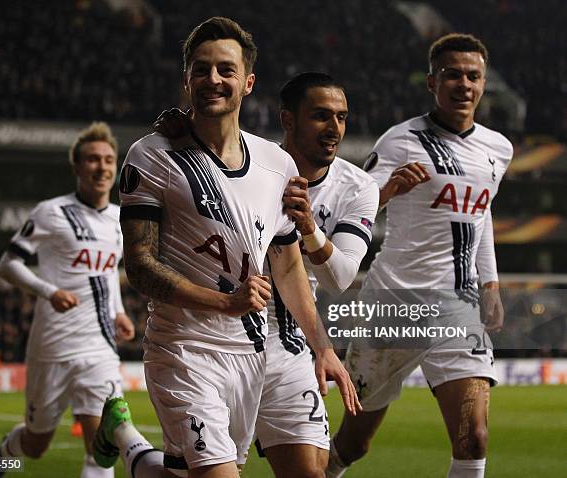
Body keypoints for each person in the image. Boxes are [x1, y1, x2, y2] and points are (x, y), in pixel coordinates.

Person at [94, 17, 358, 478]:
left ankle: (127, 442)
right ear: (186, 79)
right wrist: (226, 302)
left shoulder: (276, 164)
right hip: (184, 350)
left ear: (248, 82)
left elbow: (289, 266)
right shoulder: (152, 156)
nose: (212, 79)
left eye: (225, 69)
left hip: (252, 353)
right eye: (201, 69)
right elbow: (140, 265)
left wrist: (322, 347)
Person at [326, 33, 512, 478]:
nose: (463, 84)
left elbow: (480, 217)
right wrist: (389, 190)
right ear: (432, 82)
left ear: (484, 83)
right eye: (452, 75)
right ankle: (327, 469)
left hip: (457, 305)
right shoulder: (401, 140)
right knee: (355, 443)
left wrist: (490, 283)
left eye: (473, 76)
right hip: (393, 302)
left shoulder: (498, 149)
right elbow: (356, 205)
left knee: (474, 438)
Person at [0, 122, 135, 478]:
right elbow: (8, 264)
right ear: (77, 167)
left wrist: (119, 312)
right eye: (93, 159)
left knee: (101, 446)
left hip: (99, 347)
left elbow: (108, 271)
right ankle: (0, 456)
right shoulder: (50, 212)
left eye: (109, 159)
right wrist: (49, 292)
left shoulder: (119, 220)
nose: (102, 166)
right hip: (52, 346)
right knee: (36, 445)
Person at [253, 72, 379, 477]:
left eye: (342, 118)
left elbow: (339, 277)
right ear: (288, 120)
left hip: (288, 337)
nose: (334, 129)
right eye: (321, 116)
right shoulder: (251, 167)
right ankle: (130, 443)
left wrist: (308, 226)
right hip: (222, 332)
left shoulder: (357, 186)